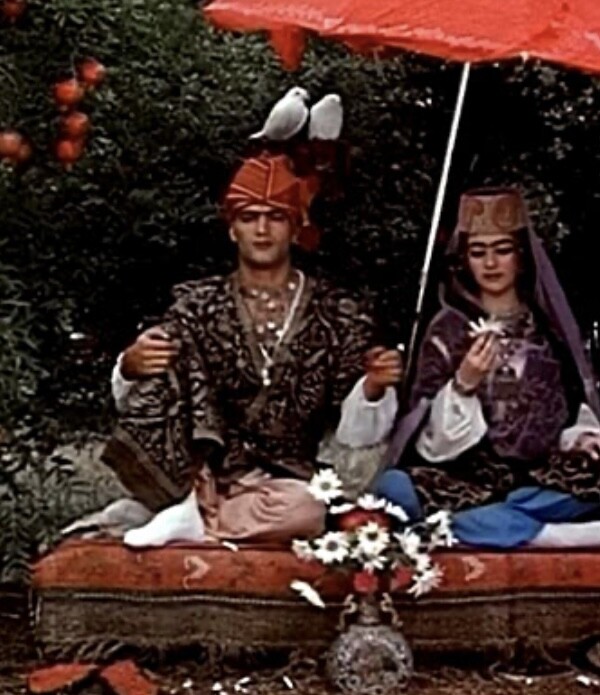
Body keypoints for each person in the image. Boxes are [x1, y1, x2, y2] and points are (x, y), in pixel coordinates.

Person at [98, 152, 402, 546]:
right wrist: (132, 365)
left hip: (285, 484)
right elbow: (157, 381)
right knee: (168, 349)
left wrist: (374, 386)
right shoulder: (197, 304)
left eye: (275, 217)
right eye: (248, 217)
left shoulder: (338, 313)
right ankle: (189, 505)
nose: (261, 229)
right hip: (201, 471)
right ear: (232, 229)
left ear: (296, 228)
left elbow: (355, 432)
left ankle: (196, 519)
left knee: (308, 509)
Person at [377, 187, 600, 548]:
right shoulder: (447, 329)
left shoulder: (547, 328)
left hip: (542, 478)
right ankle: (549, 535)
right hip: (468, 480)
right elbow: (427, 444)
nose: (491, 264)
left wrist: (583, 438)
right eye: (478, 253)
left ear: (521, 257)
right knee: (393, 488)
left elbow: (574, 410)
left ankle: (494, 525)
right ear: (464, 260)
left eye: (502, 250)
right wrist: (463, 384)